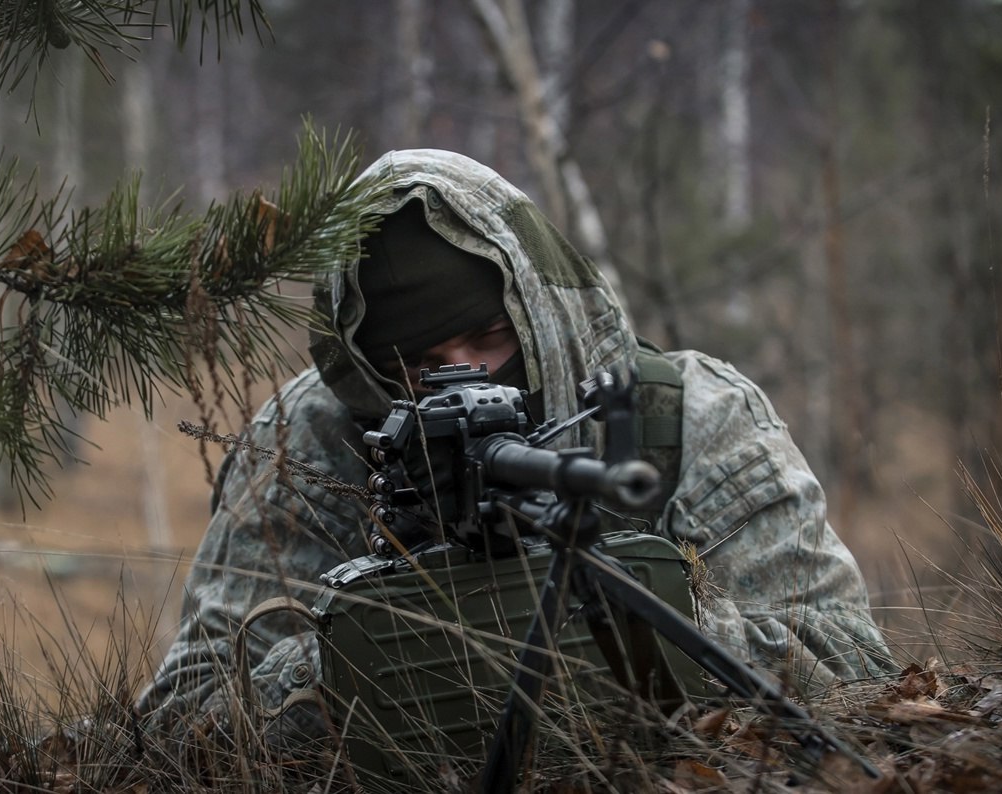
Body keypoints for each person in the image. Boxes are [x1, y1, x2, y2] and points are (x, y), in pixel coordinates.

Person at [135, 149, 894, 743]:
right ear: (372, 373)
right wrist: (356, 659)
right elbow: (183, 719)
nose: (466, 379)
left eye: (491, 339)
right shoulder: (314, 437)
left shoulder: (688, 416)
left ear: (536, 313)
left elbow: (851, 664)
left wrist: (640, 621)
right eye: (424, 367)